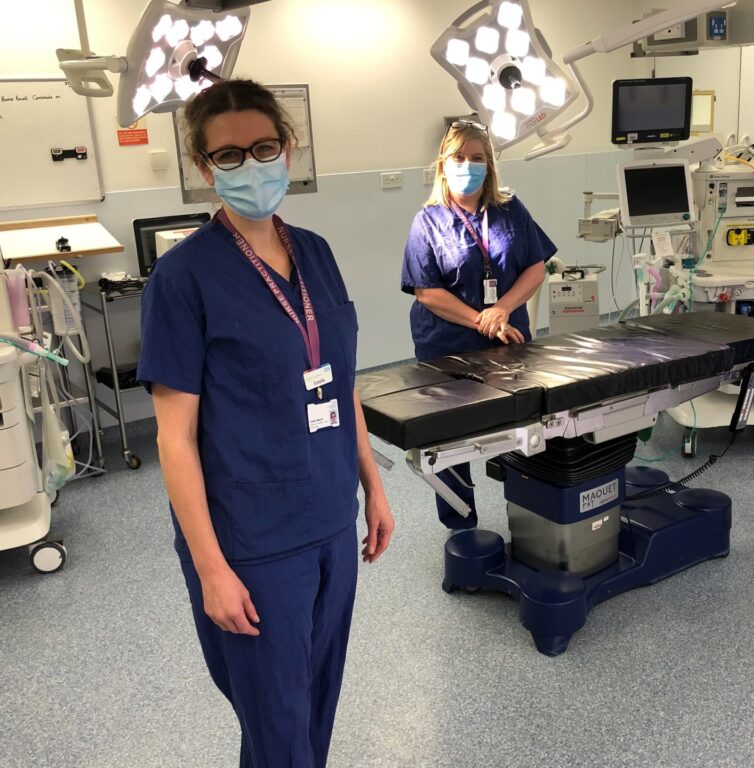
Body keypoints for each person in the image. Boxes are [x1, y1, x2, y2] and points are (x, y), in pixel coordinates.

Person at [137, 79, 394, 766]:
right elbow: (174, 439)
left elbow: (340, 381)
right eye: (228, 156)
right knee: (277, 726)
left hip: (330, 520)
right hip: (251, 542)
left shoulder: (316, 253)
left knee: (314, 708)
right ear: (204, 168)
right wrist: (211, 568)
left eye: (263, 147)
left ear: (288, 147)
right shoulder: (183, 279)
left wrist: (373, 486)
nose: (250, 165)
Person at [401, 120, 557, 529]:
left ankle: (528, 515)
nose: (467, 165)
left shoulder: (510, 209)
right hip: (446, 344)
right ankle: (460, 526)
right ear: (443, 164)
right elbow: (427, 292)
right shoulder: (427, 221)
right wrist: (482, 320)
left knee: (521, 430)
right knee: (450, 439)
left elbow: (536, 267)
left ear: (489, 165)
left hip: (509, 339)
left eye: (477, 158)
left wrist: (501, 309)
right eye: (458, 157)